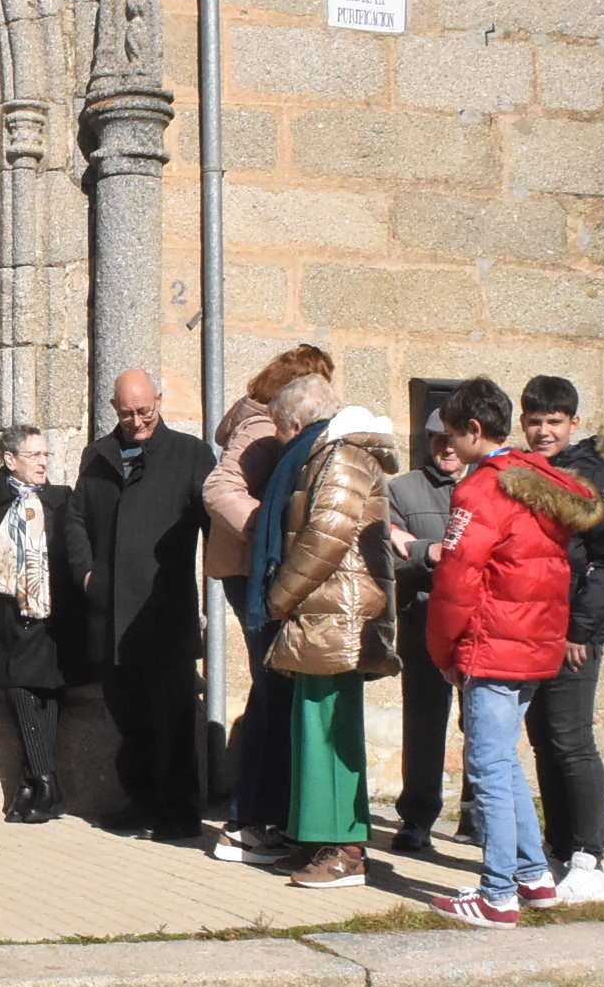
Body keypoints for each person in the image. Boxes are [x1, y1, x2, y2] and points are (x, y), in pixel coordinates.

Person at [419, 376, 600, 927]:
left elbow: (456, 577)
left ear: (475, 431)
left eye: (453, 436)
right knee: (504, 761)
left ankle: (496, 893)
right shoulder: (539, 482)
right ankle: (533, 874)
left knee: (488, 766)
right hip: (532, 641)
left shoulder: (480, 491)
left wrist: (442, 648)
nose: (448, 448)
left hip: (492, 643)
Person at [257, 397, 400, 889]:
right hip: (325, 609)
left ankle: (346, 850)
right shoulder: (340, 452)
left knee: (330, 732)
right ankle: (322, 842)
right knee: (313, 728)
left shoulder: (342, 454)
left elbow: (326, 533)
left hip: (335, 611)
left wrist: (282, 594)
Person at [205, 346, 336, 871]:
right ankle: (248, 823)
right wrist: (272, 528)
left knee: (275, 690)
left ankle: (261, 817)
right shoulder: (261, 426)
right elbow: (219, 488)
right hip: (253, 572)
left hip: (254, 570)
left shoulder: (258, 419)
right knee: (273, 690)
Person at [74, 368, 216, 842]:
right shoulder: (98, 456)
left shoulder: (190, 454)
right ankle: (141, 801)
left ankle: (179, 812)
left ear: (159, 398)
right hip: (111, 612)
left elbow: (213, 519)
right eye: (126, 413)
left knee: (173, 717)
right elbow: (75, 520)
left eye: (144, 411)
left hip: (164, 610)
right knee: (127, 715)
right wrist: (86, 571)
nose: (136, 421)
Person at [518, 375, 604, 902]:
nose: (544, 431)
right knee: (544, 738)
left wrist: (579, 629)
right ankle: (560, 848)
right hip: (535, 628)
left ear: (574, 423)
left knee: (572, 740)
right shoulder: (530, 470)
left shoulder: (592, 475)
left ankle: (591, 858)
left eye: (554, 422)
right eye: (535, 421)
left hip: (573, 634)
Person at [0, 424, 88, 823]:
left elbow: (72, 550)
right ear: (10, 460)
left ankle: (32, 786)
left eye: (45, 455)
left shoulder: (60, 499)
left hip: (52, 611)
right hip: (9, 613)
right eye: (34, 455)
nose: (42, 463)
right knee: (18, 684)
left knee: (48, 689)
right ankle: (44, 778)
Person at [382, 425, 465, 856]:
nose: (447, 448)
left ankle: (478, 814)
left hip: (478, 621)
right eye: (437, 439)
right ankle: (416, 818)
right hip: (424, 619)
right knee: (425, 723)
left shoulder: (491, 484)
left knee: (485, 722)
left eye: (454, 439)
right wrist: (426, 553)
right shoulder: (402, 490)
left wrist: (417, 548)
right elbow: (384, 553)